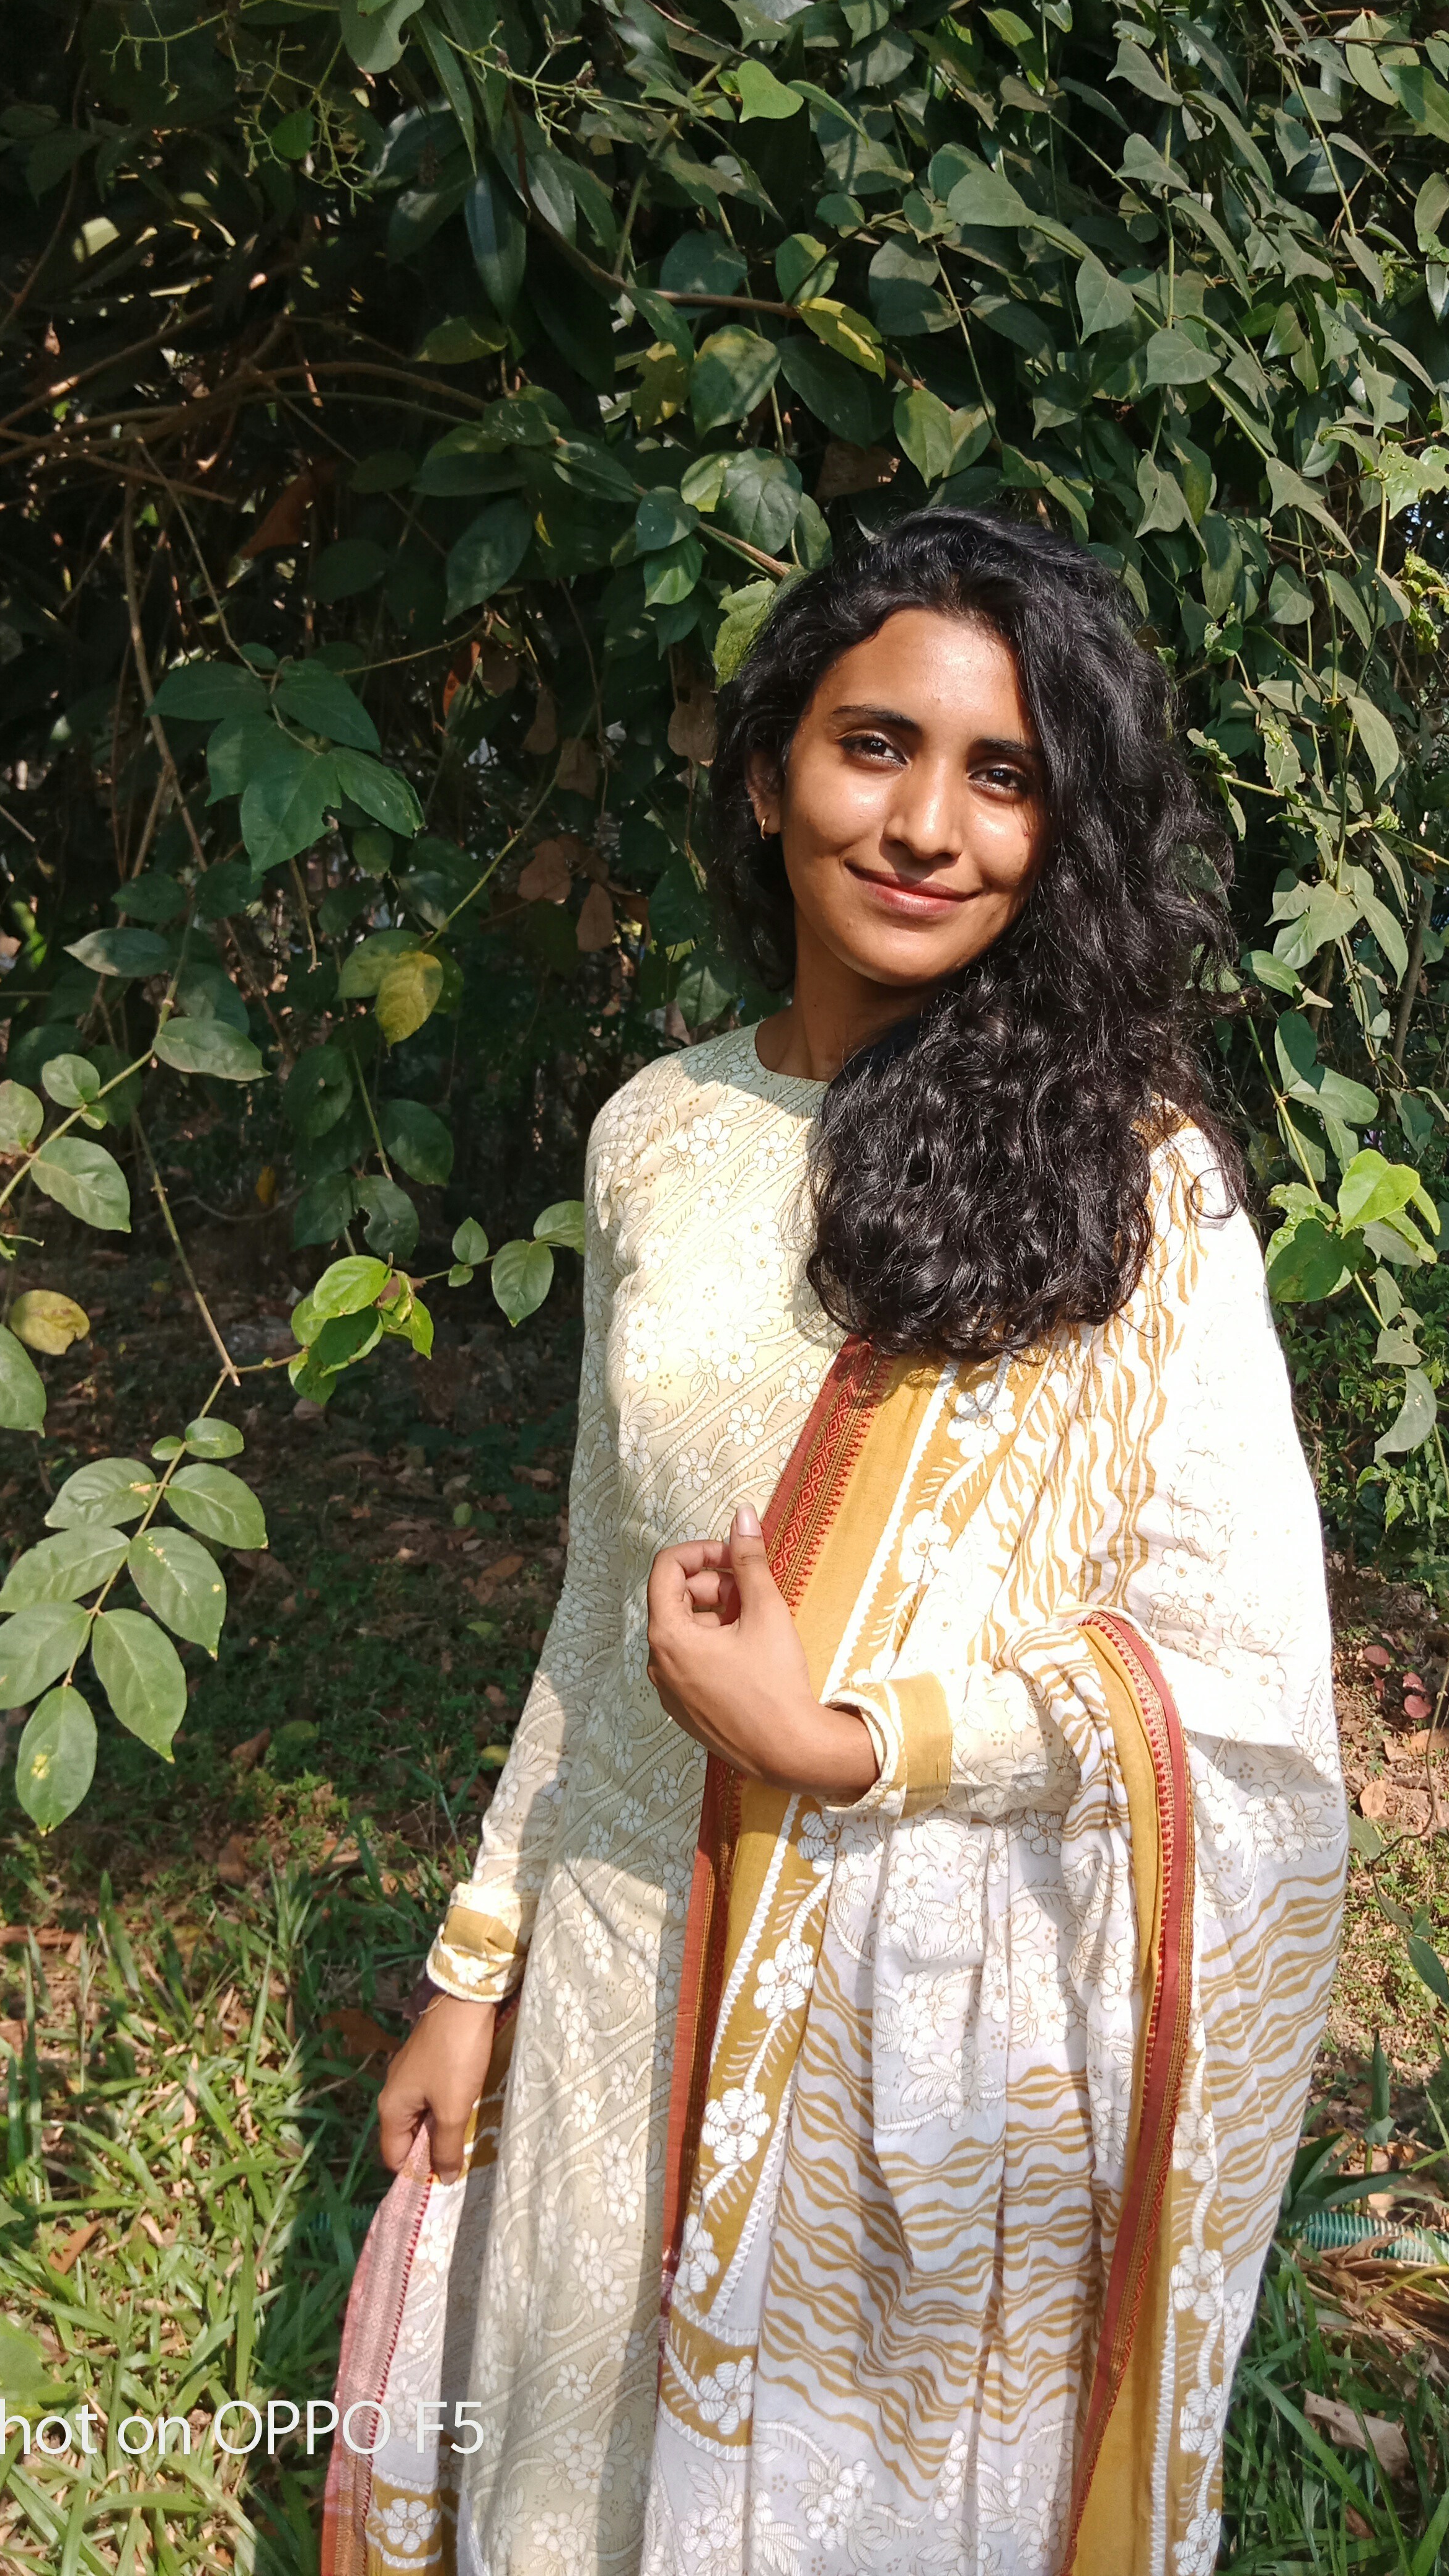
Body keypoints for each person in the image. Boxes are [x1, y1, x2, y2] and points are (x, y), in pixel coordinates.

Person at [325, 509, 1346, 2576]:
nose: (928, 826)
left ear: (1062, 834)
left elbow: (1238, 1688)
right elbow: (601, 1590)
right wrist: (475, 1966)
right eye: (877, 745)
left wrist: (849, 1743)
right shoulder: (658, 1131)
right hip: (623, 1946)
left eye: (1004, 775)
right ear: (770, 769)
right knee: (582, 2486)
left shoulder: (1138, 1188)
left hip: (929, 2033)